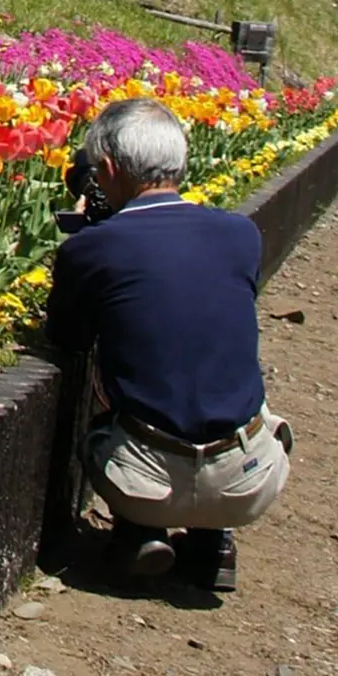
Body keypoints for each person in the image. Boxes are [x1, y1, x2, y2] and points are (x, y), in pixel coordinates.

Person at [45, 98, 291, 593]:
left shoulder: (92, 248)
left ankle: (140, 530)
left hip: (142, 482)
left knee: (112, 410)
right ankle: (214, 543)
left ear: (108, 169)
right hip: (250, 479)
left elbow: (66, 339)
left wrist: (86, 240)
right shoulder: (241, 234)